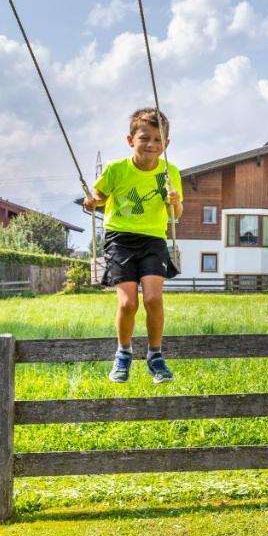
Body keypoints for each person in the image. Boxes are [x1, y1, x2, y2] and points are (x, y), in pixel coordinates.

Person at [85, 108, 183, 383]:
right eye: (144, 138)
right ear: (131, 140)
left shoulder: (169, 172)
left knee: (153, 299)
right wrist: (92, 201)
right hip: (120, 239)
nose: (151, 145)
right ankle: (123, 353)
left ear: (166, 144)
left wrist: (173, 200)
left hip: (153, 239)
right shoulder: (116, 169)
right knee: (128, 303)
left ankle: (155, 356)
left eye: (158, 140)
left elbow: (176, 215)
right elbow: (98, 197)